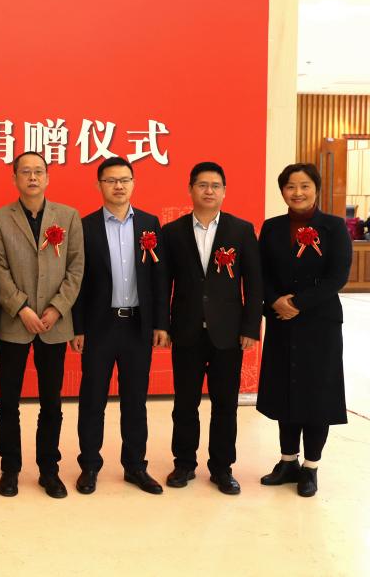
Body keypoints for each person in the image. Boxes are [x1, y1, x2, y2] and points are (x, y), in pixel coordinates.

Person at [161, 161, 262, 495]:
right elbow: (163, 284)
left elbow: (254, 284)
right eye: (202, 185)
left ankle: (222, 468)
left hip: (228, 334)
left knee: (225, 405)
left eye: (215, 185)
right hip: (186, 330)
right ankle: (184, 464)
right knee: (184, 404)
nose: (209, 191)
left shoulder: (241, 230)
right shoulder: (172, 232)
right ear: (190, 189)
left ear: (224, 191)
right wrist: (162, 325)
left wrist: (251, 327)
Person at [70, 157, 169, 495]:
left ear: (133, 183)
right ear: (99, 185)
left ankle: (135, 466)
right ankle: (89, 466)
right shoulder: (85, 226)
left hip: (137, 325)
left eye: (125, 179)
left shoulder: (149, 224)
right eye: (111, 180)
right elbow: (78, 281)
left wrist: (160, 323)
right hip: (99, 326)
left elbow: (159, 279)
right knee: (92, 400)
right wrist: (78, 327)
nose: (118, 186)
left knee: (135, 401)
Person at [0, 151, 84, 499]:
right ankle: (10, 468)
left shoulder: (68, 216)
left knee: (52, 402)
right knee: (8, 402)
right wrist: (21, 308)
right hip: (15, 323)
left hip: (54, 324)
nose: (32, 177)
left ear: (47, 177)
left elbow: (76, 267)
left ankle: (49, 470)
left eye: (38, 172)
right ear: (14, 177)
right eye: (25, 172)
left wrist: (57, 308)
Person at [257, 163, 351, 497]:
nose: (297, 193)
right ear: (282, 191)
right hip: (281, 321)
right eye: (290, 186)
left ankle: (310, 467)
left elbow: (337, 276)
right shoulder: (271, 227)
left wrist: (298, 303)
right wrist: (275, 301)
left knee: (316, 392)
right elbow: (260, 273)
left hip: (319, 323)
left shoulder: (334, 227)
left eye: (305, 186)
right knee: (286, 389)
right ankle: (287, 462)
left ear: (316, 189)